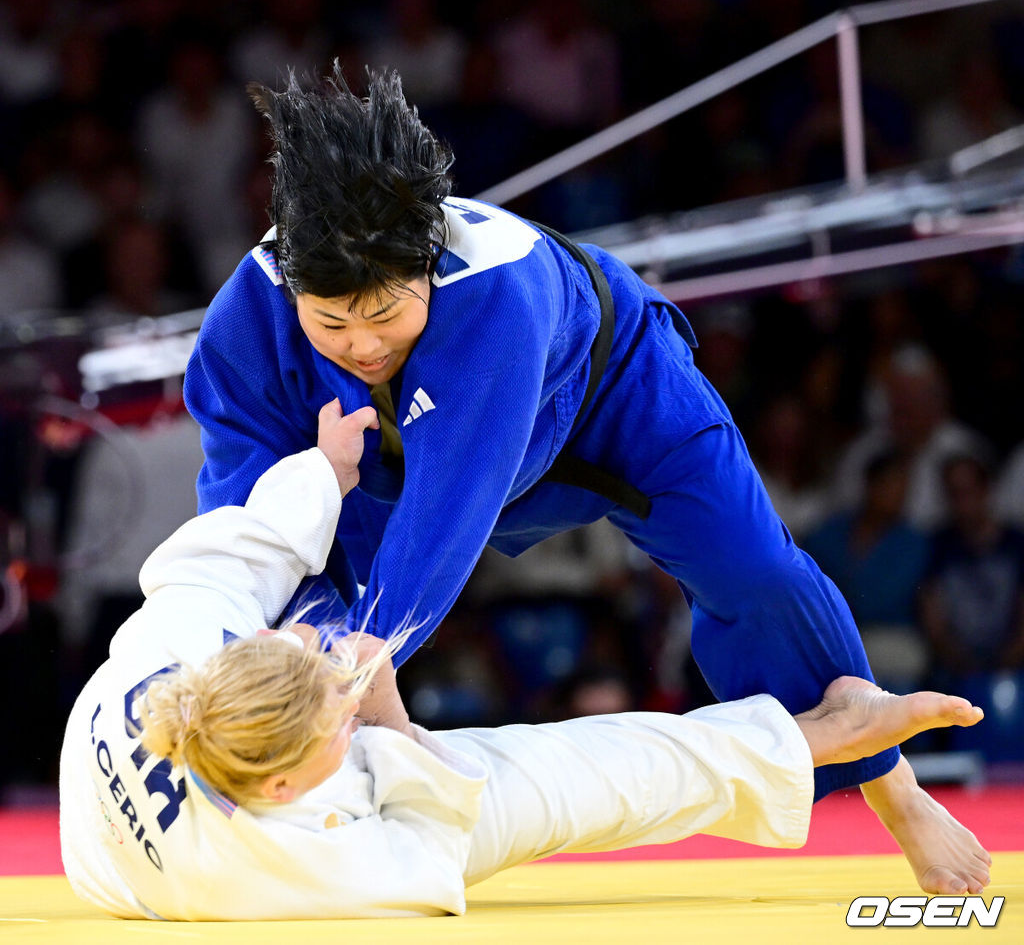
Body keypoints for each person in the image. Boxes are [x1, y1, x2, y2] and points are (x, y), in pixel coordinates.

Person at [182, 67, 989, 894]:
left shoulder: (496, 292)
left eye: (385, 314)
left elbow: (444, 518)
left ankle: (896, 789)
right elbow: (244, 520)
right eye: (331, 323)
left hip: (614, 402)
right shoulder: (244, 324)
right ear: (290, 286)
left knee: (760, 575)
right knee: (293, 599)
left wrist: (352, 667)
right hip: (384, 463)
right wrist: (265, 666)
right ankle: (311, 792)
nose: (361, 344)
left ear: (426, 260)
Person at [59, 400, 989, 921]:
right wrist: (390, 722)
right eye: (334, 726)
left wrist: (325, 469)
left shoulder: (175, 652)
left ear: (243, 653)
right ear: (285, 791)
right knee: (557, 783)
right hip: (165, 858)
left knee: (296, 605)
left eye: (315, 672)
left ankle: (826, 734)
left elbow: (235, 550)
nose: (346, 699)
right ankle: (822, 735)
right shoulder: (280, 866)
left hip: (151, 773)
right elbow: (433, 843)